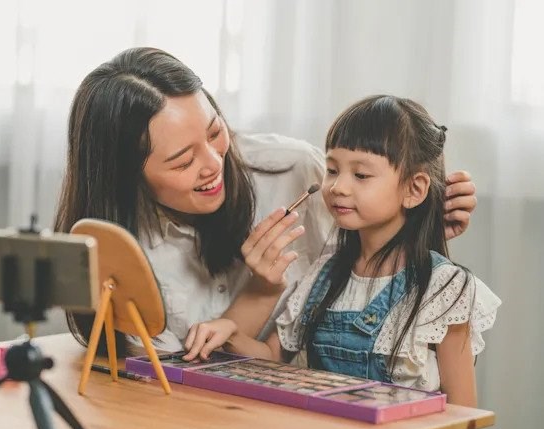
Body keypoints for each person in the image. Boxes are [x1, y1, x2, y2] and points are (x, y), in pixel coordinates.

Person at [55, 48, 477, 356]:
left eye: (216, 131)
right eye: (183, 161)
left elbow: (377, 276)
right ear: (127, 176)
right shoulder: (114, 247)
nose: (213, 163)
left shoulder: (297, 172)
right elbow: (178, 377)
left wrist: (419, 227)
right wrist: (260, 292)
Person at [183, 95, 501, 407]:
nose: (338, 187)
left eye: (361, 175)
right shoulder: (323, 274)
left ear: (414, 189)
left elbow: (463, 413)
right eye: (332, 170)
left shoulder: (445, 289)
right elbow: (271, 358)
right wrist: (230, 333)